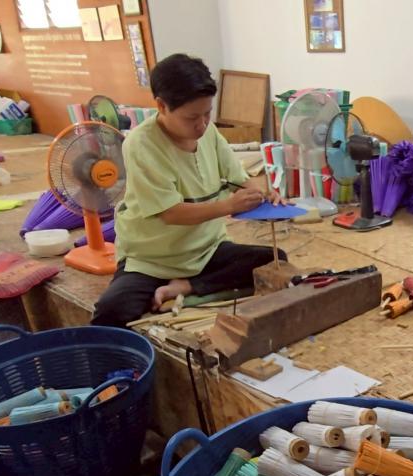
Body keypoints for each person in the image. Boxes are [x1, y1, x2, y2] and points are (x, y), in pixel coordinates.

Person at [91, 54, 284, 327]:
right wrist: (230, 206)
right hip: (151, 261)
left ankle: (186, 286)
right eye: (192, 117)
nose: (202, 124)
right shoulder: (140, 144)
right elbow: (171, 213)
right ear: (161, 106)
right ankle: (189, 286)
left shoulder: (208, 133)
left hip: (207, 250)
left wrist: (262, 195)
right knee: (110, 312)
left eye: (207, 114)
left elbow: (238, 178)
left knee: (274, 261)